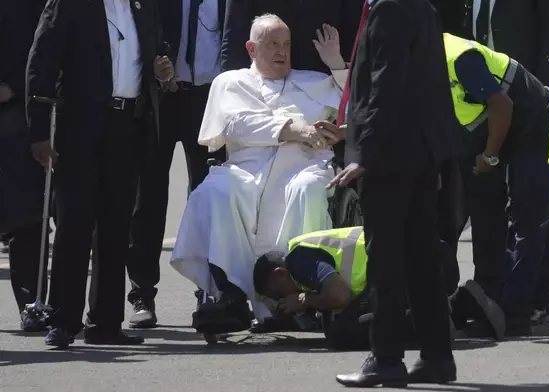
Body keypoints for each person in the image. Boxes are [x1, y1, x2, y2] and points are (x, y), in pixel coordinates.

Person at [169, 14, 349, 335]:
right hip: (246, 170)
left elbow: (354, 103)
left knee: (308, 187)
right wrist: (292, 128)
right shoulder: (231, 81)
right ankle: (232, 293)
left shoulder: (313, 80)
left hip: (302, 166)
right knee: (216, 189)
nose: (282, 51)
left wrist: (335, 63)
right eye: (273, 44)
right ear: (252, 48)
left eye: (287, 44)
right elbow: (235, 123)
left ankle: (302, 289)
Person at [26, 0, 173, 348]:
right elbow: (41, 60)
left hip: (128, 124)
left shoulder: (143, 7)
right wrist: (38, 133)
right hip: (79, 125)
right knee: (75, 222)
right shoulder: (71, 4)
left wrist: (161, 67)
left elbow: (156, 50)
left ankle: (106, 323)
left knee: (116, 226)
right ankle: (63, 320)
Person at [332, 0, 463, 387]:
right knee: (422, 258)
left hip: (390, 156)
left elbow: (385, 84)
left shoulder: (389, 9)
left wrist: (365, 153)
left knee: (385, 262)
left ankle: (385, 358)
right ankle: (437, 355)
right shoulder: (422, 7)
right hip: (421, 152)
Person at [440, 32, 549, 337]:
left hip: (533, 121)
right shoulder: (416, 62)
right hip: (489, 129)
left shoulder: (459, 56)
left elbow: (501, 104)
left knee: (527, 215)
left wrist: (490, 156)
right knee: (485, 212)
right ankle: (490, 295)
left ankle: (516, 313)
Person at [126, 0, 227, 329]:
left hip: (212, 100)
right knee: (148, 198)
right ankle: (142, 293)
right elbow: (140, 35)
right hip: (163, 98)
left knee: (208, 198)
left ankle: (209, 291)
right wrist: (155, 70)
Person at [253, 227, 505, 350]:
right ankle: (460, 303)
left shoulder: (299, 259)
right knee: (352, 319)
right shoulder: (309, 249)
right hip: (432, 258)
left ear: (279, 274)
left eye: (276, 294)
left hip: (414, 265)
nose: (281, 300)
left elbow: (339, 295)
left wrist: (306, 300)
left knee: (343, 334)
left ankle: (429, 324)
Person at [0, 0, 48, 332]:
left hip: (16, 112)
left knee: (26, 218)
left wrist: (14, 85)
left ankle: (31, 304)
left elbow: (45, 47)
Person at [221, 0, 363, 73]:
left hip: (323, 88)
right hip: (262, 85)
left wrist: (340, 69)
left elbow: (354, 42)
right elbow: (234, 39)